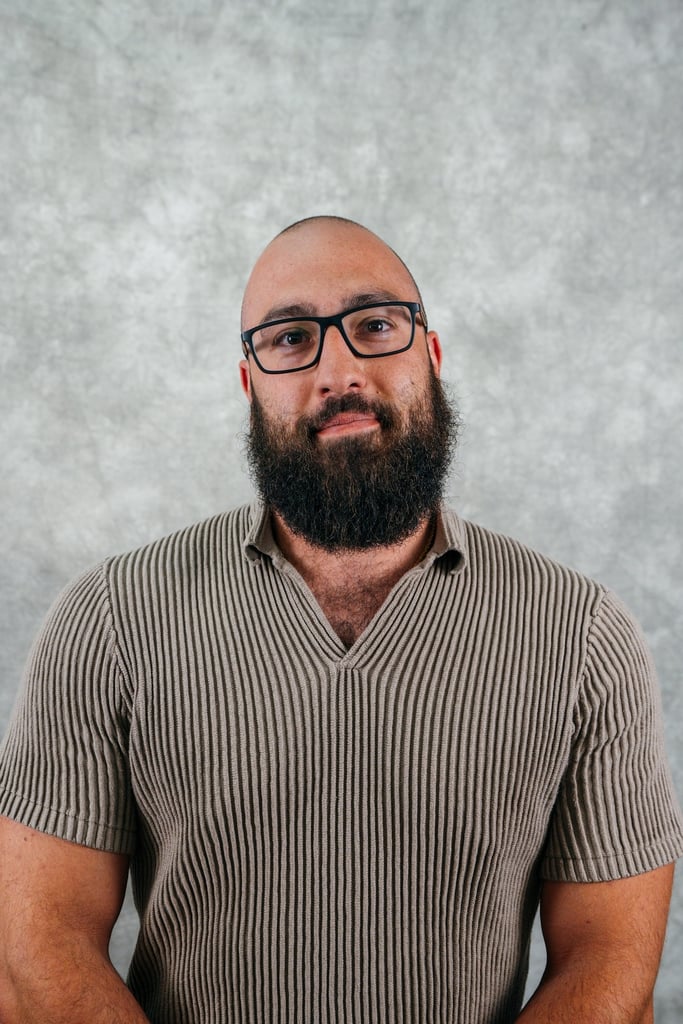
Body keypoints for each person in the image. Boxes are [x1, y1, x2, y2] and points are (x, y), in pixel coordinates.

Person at [0, 215, 681, 1024]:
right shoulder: (109, 620)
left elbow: (610, 965)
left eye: (375, 325)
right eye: (290, 339)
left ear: (429, 354)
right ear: (249, 383)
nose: (339, 369)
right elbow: (36, 952)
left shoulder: (582, 637)